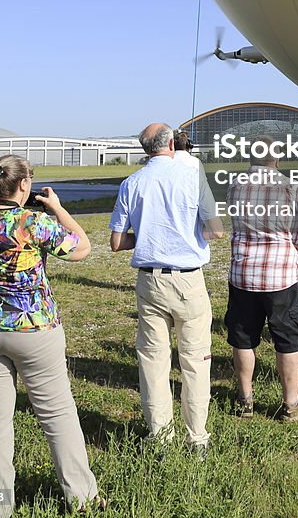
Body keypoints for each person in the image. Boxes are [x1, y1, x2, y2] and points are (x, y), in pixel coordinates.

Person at [0, 155, 100, 518]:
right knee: (57, 414)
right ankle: (82, 497)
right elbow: (81, 247)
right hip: (33, 328)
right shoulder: (34, 222)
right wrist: (59, 210)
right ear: (24, 185)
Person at [109, 123, 223, 454]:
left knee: (153, 361)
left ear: (145, 149)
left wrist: (143, 235)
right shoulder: (192, 175)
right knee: (195, 360)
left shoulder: (132, 182)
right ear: (172, 143)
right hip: (188, 279)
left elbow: (117, 241)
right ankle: (197, 437)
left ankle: (159, 435)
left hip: (150, 280)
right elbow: (215, 231)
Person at [224, 136, 298, 421]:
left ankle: (245, 400)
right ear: (277, 159)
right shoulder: (292, 186)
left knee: (243, 338)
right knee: (288, 339)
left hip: (243, 273)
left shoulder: (235, 186)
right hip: (281, 275)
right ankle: (291, 403)